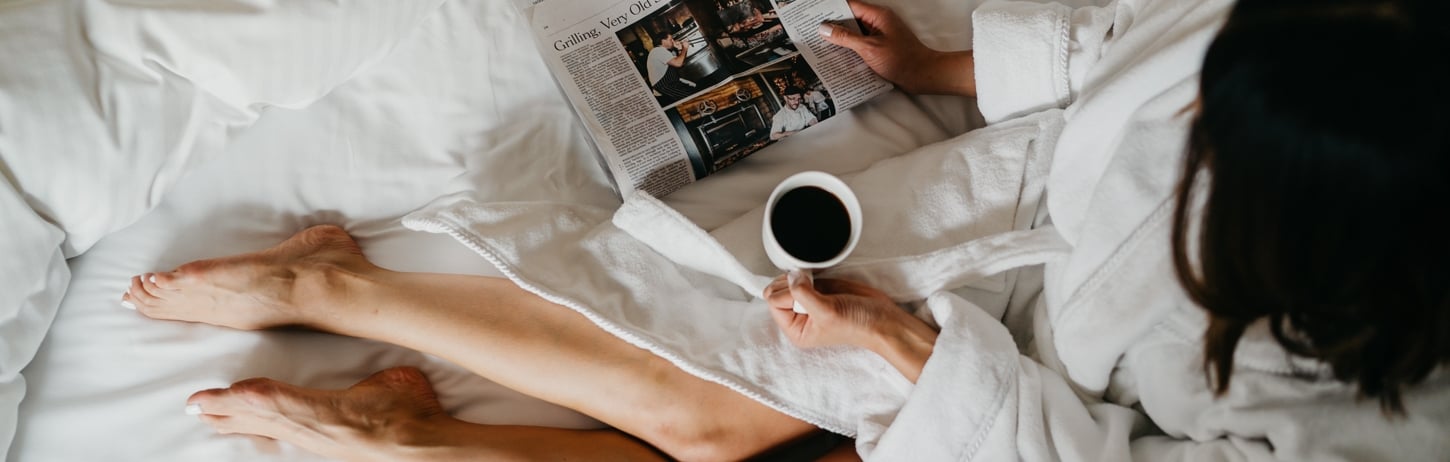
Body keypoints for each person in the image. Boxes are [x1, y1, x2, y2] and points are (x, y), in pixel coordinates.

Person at [122, 0, 1449, 460]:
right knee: (719, 410)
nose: (1182, 112)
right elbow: (1116, 46)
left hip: (1032, 392)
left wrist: (910, 357)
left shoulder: (1378, 413)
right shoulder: (1319, 44)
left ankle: (349, 308)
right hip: (1000, 204)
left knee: (718, 426)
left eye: (1210, 139)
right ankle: (386, 373)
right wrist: (937, 63)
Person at [644, 30, 696, 101]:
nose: (673, 41)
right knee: (690, 97)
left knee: (693, 92)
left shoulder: (665, 51)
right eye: (671, 39)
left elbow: (681, 63)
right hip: (664, 84)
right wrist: (685, 48)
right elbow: (678, 64)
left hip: (671, 82)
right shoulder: (658, 51)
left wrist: (680, 49)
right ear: (663, 41)